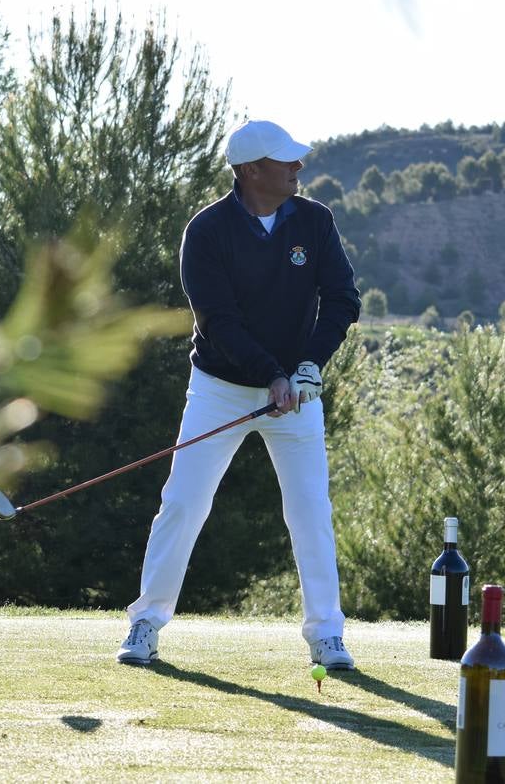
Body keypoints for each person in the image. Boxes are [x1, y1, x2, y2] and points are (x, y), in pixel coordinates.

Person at [117, 119, 362, 670]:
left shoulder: (315, 221)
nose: (298, 167)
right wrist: (269, 373)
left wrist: (304, 369)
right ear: (252, 171)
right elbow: (219, 319)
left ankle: (327, 634)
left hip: (295, 394)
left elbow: (343, 299)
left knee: (310, 511)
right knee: (183, 503)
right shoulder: (207, 232)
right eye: (287, 160)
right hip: (220, 389)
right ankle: (145, 624)